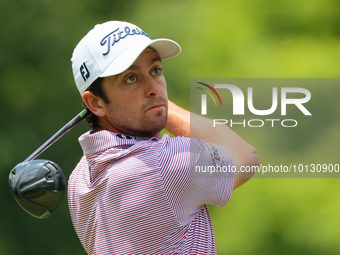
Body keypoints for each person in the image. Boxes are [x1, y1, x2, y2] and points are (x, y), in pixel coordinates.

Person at [68, 20, 259, 254]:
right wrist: (162, 106)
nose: (154, 87)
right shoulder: (165, 163)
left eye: (155, 70)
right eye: (131, 78)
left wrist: (149, 105)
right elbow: (246, 156)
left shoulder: (78, 180)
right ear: (95, 103)